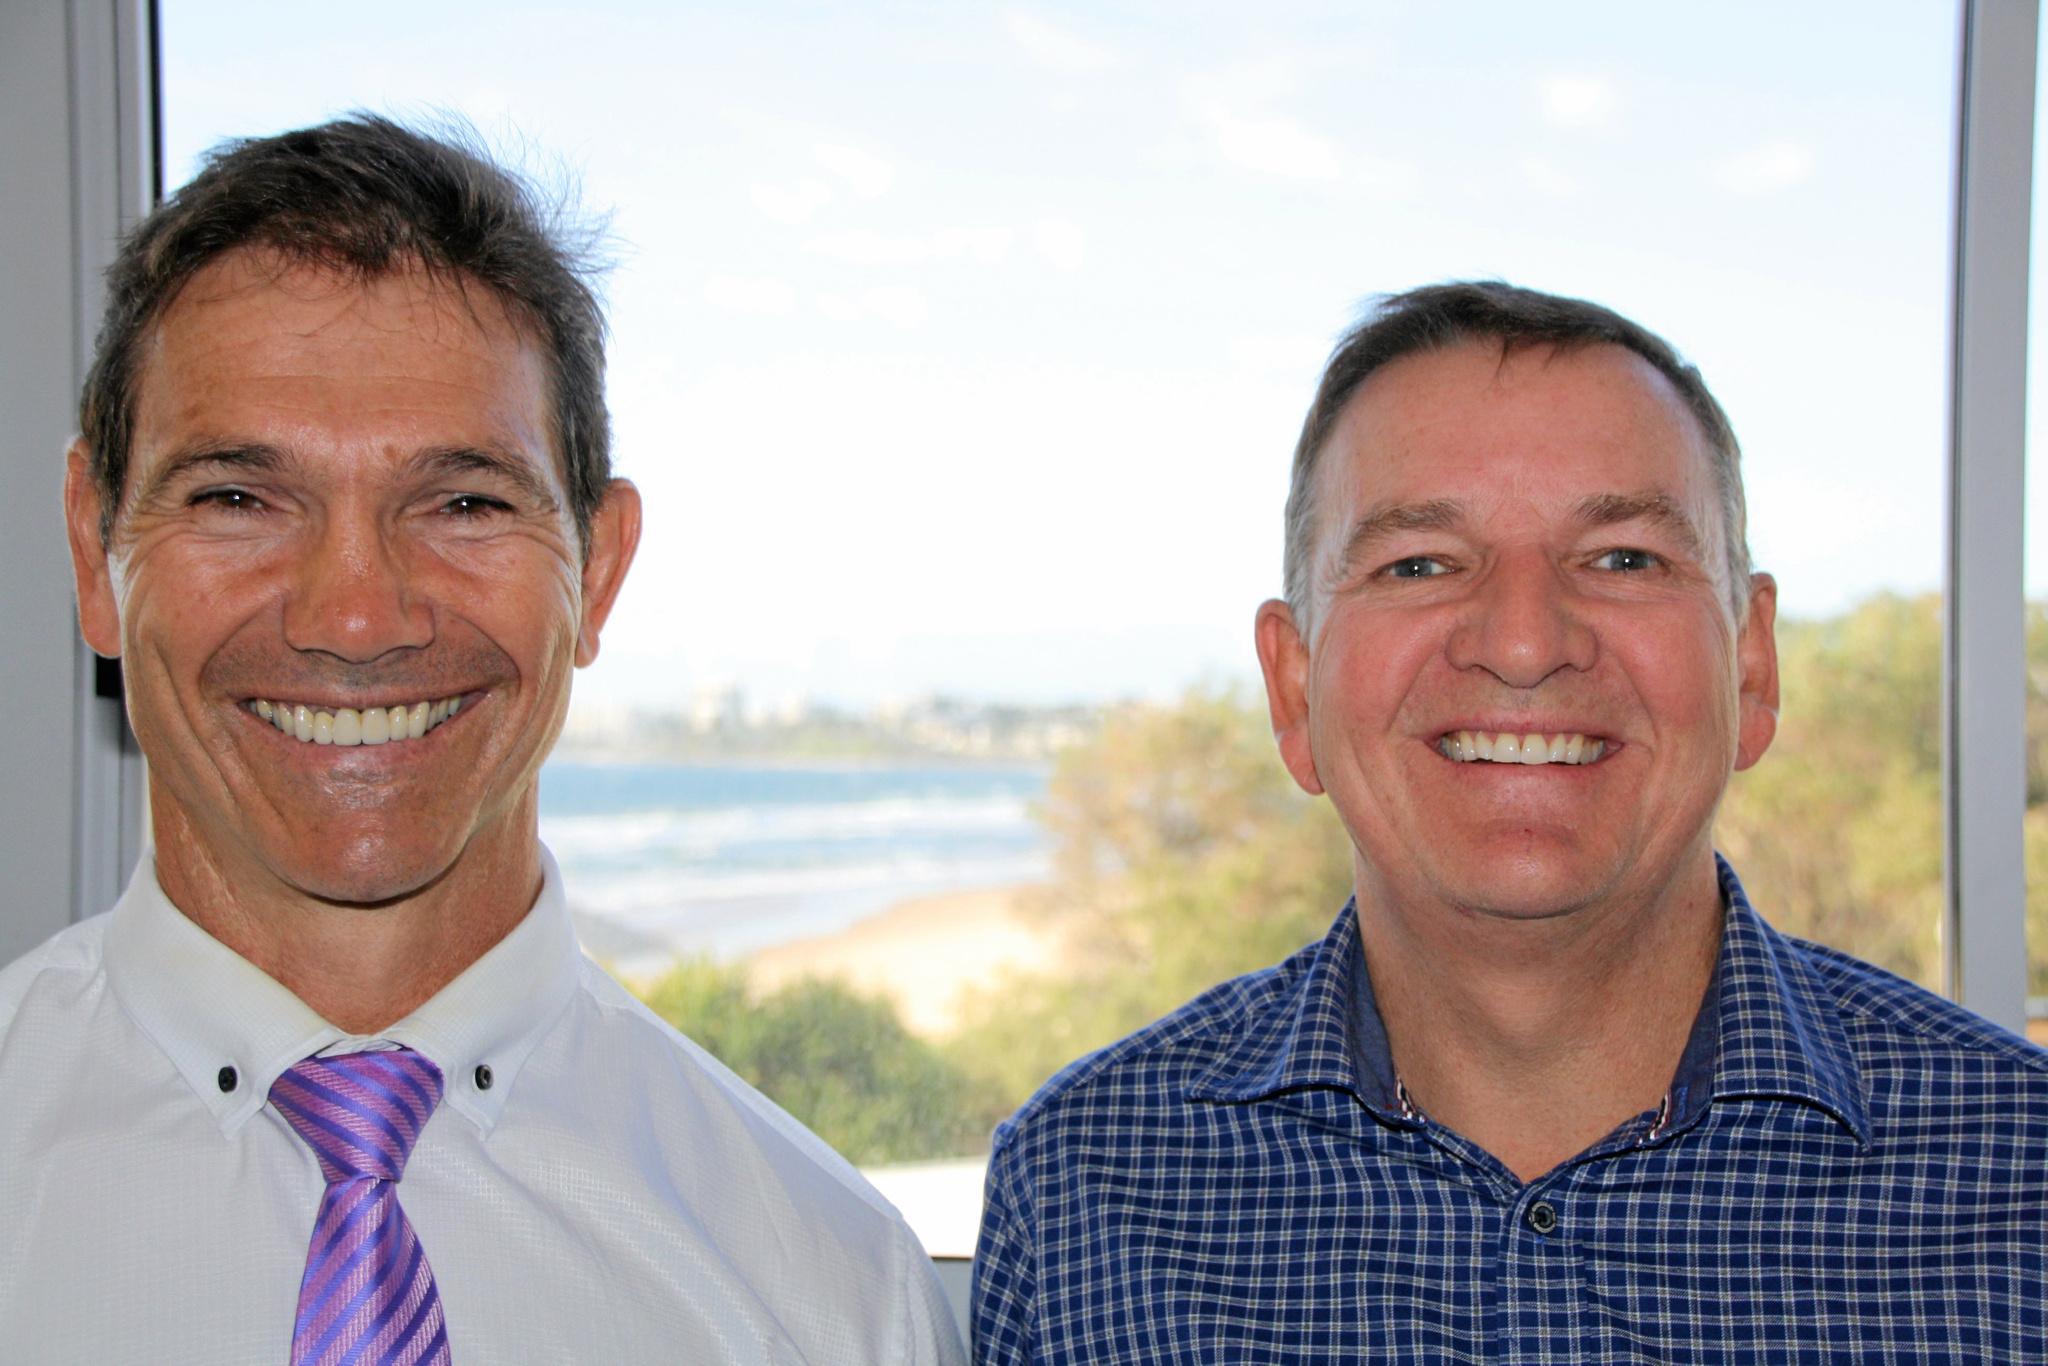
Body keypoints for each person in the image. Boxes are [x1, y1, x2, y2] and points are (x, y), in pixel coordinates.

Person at [0, 115, 963, 1365]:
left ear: (597, 571)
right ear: (95, 554)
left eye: (463, 501)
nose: (354, 616)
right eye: (238, 498)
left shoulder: (829, 1288)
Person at [971, 281, 2048, 1362]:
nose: (1525, 641)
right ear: (1292, 690)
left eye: (1622, 557)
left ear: (1750, 663)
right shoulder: (1085, 1193)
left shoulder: (2019, 1183)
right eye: (1420, 564)